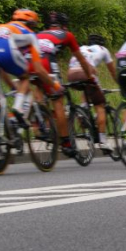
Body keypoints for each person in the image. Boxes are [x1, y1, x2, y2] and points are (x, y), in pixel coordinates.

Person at [0, 9, 59, 129]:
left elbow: (1, 69)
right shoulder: (30, 35)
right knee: (25, 76)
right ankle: (18, 109)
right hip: (5, 49)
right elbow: (38, 69)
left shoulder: (0, 27)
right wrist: (56, 86)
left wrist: (12, 87)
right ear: (31, 24)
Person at [36, 12, 95, 157]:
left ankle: (38, 120)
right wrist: (90, 77)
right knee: (58, 100)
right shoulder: (66, 35)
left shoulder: (39, 33)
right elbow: (81, 59)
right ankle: (66, 143)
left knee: (38, 86)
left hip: (30, 61)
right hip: (46, 63)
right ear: (64, 26)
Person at [66, 33, 117, 154]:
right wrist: (119, 83)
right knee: (100, 106)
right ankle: (103, 141)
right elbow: (112, 71)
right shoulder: (103, 50)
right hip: (85, 73)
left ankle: (82, 111)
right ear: (102, 44)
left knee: (86, 90)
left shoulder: (82, 48)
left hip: (71, 74)